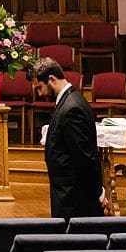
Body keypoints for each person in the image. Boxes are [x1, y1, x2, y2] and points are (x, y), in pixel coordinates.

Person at [30, 56, 104, 219]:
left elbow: (84, 156)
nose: (40, 94)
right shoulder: (69, 101)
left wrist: (97, 191)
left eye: (40, 87)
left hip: (74, 197)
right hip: (68, 192)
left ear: (51, 79)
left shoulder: (72, 108)